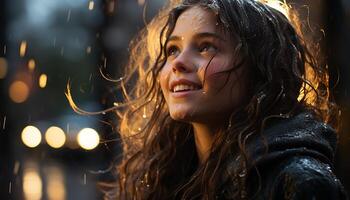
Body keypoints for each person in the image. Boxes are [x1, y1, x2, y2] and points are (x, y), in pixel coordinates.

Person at [67, 0, 348, 199]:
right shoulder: (169, 176)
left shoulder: (300, 182)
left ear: (261, 69)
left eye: (205, 47)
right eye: (172, 49)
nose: (178, 63)